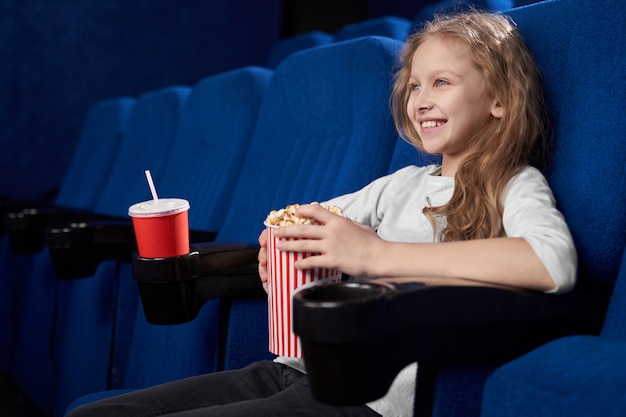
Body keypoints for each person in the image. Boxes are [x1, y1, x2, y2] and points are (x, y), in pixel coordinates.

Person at [67, 11, 576, 417]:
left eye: (441, 82)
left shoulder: (514, 182)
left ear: (500, 101)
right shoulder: (400, 184)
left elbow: (552, 264)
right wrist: (276, 246)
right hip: (299, 367)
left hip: (368, 397)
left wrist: (376, 255)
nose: (421, 99)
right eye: (415, 85)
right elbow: (307, 220)